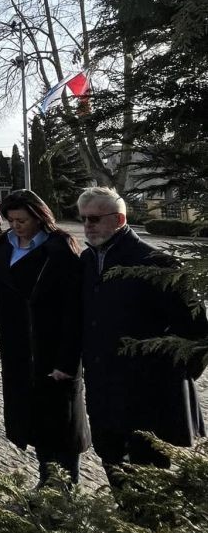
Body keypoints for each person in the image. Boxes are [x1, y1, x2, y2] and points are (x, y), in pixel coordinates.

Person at [77, 187, 206, 479]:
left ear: (119, 220)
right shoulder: (86, 261)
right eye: (82, 218)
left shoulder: (158, 263)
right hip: (103, 391)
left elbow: (197, 332)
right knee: (112, 463)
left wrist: (167, 374)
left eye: (94, 219)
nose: (87, 225)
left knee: (149, 476)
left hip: (149, 398)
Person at [0, 190, 89, 485]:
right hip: (18, 349)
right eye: (11, 220)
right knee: (35, 421)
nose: (16, 226)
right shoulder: (1, 248)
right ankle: (46, 482)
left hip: (53, 349)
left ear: (39, 217)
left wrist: (67, 360)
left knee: (62, 424)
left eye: (23, 220)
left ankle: (66, 489)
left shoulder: (60, 249)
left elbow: (74, 310)